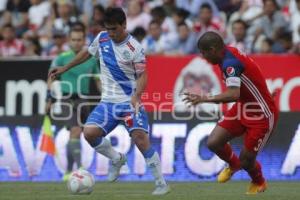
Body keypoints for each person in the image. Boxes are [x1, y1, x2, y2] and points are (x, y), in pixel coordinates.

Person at [48, 7, 170, 195]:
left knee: (140, 138)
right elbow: (88, 53)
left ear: (124, 25)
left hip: (129, 101)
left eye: (114, 29)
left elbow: (143, 75)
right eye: (108, 28)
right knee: (89, 133)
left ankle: (161, 183)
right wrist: (64, 68)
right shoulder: (102, 38)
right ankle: (116, 158)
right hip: (108, 102)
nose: (111, 33)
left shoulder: (134, 48)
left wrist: (136, 96)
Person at [183, 31, 278, 195]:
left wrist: (203, 99)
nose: (203, 57)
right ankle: (234, 165)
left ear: (213, 50)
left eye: (204, 53)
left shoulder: (230, 63)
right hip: (243, 108)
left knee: (247, 161)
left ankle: (259, 182)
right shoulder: (227, 53)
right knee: (213, 142)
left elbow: (233, 94)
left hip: (262, 114)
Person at [46, 25, 100, 181]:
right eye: (73, 39)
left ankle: (69, 171)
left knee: (77, 135)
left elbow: (98, 81)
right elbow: (51, 78)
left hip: (84, 100)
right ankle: (81, 168)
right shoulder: (61, 58)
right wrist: (49, 98)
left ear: (84, 41)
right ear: (69, 40)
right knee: (76, 130)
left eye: (79, 40)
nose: (76, 43)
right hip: (66, 99)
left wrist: (106, 96)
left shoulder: (91, 60)